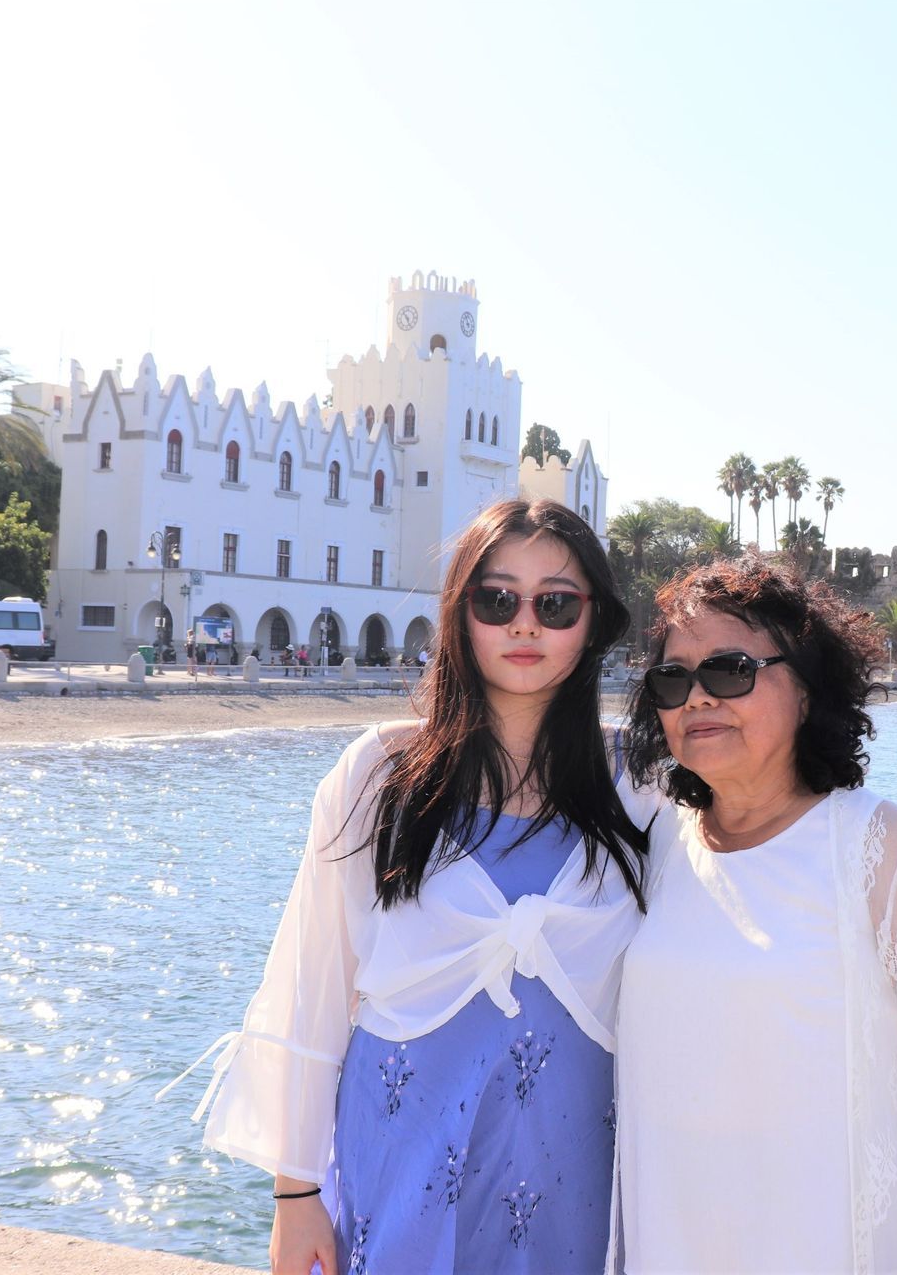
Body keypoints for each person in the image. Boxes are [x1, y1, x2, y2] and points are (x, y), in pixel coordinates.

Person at [164, 499, 650, 1275]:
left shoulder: (642, 789)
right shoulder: (381, 774)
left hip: (575, 1164)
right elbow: (314, 986)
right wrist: (296, 1193)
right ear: (461, 613)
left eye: (556, 604)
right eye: (498, 600)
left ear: (592, 621)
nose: (525, 625)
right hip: (402, 1150)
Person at [616, 557, 897, 1274]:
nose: (697, 697)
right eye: (672, 680)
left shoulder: (880, 848)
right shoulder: (659, 839)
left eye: (730, 670)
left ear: (805, 690)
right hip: (671, 1239)